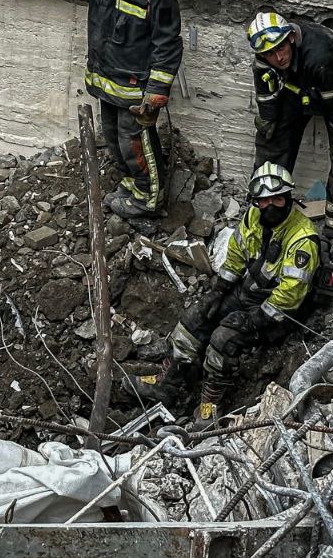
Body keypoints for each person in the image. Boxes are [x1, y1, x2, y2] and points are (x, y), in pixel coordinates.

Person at [131, 163, 323, 424]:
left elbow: (289, 296)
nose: (271, 206)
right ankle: (167, 384)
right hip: (248, 295)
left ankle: (210, 405)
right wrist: (218, 291)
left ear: (289, 197)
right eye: (264, 201)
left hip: (279, 314)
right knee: (195, 318)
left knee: (223, 339)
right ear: (255, 201)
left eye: (278, 199)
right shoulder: (252, 219)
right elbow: (235, 257)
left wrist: (254, 320)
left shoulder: (303, 239)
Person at [65, 0, 183, 218]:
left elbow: (168, 44)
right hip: (107, 78)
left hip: (134, 87)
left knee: (136, 145)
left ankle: (150, 200)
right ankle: (132, 186)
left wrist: (156, 92)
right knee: (115, 142)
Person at [246, 10, 333, 253]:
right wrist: (268, 120)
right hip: (296, 90)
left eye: (280, 49)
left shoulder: (321, 54)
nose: (277, 57)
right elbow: (266, 94)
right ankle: (265, 213)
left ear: (291, 38)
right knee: (272, 141)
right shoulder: (265, 57)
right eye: (269, 54)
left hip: (329, 88)